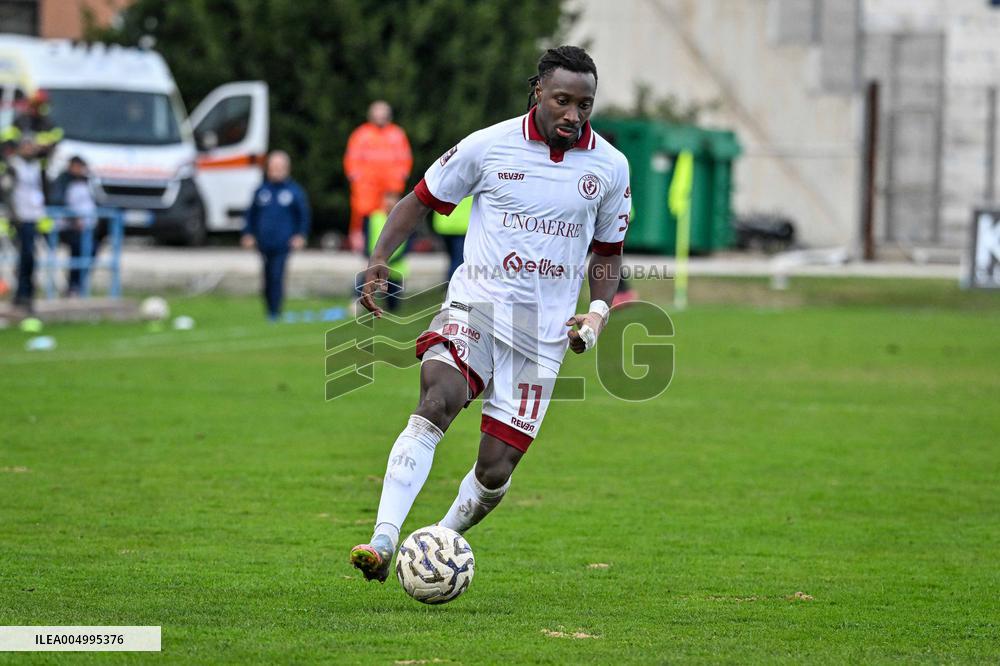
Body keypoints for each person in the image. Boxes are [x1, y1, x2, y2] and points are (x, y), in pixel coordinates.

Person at [350, 46, 631, 582]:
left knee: (496, 469)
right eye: (563, 100)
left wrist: (597, 313)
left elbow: (608, 252)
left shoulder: (611, 167)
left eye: (585, 105)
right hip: (476, 305)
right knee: (437, 399)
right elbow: (420, 199)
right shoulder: (488, 145)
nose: (573, 114)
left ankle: (433, 546)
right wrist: (380, 257)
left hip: (544, 334)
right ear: (538, 92)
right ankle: (383, 539)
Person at [241, 151, 311, 321]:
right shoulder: (261, 190)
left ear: (287, 169)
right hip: (264, 242)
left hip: (283, 243)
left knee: (276, 275)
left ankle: (275, 312)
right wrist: (248, 233)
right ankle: (269, 309)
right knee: (266, 277)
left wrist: (300, 235)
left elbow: (303, 215)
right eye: (274, 167)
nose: (277, 171)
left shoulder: (294, 191)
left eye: (280, 167)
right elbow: (251, 214)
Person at [343, 101, 412, 252]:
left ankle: (393, 251)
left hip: (390, 188)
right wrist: (357, 178)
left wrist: (399, 179)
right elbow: (352, 159)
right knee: (366, 219)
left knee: (392, 219)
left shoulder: (397, 134)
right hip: (367, 188)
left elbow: (405, 159)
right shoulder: (361, 134)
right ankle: (366, 250)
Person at [5, 136, 48, 312]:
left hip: (34, 216)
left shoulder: (37, 166)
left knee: (30, 257)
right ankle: (22, 293)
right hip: (20, 217)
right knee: (25, 256)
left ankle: (26, 293)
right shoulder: (13, 166)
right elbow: (7, 192)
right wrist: (14, 216)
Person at [51, 156, 99, 296]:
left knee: (91, 250)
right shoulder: (62, 181)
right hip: (67, 228)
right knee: (78, 249)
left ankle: (78, 284)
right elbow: (57, 202)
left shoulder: (88, 181)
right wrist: (73, 219)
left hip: (87, 228)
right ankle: (73, 286)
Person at [361, 190, 407, 313]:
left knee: (392, 303)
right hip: (376, 264)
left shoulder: (404, 219)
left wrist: (388, 260)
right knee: (365, 286)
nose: (389, 205)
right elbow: (367, 237)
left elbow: (408, 244)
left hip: (395, 267)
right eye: (387, 201)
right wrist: (371, 257)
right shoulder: (375, 217)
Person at [432, 196, 471, 282]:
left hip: (444, 224)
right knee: (458, 261)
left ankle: (449, 283)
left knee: (453, 259)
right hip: (462, 226)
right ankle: (453, 285)